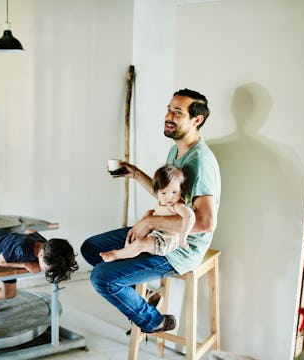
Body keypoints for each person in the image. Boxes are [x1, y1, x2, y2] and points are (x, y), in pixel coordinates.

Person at [81, 88, 221, 334]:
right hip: (160, 233)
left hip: (180, 249)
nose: (169, 116)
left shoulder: (201, 162)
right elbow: (166, 196)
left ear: (196, 120)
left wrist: (150, 222)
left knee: (102, 278)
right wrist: (135, 173)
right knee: (91, 248)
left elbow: (206, 223)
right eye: (169, 109)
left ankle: (155, 321)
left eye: (178, 112)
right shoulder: (176, 150)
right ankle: (139, 298)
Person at [0, 230, 79, 340]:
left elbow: (30, 231)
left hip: (10, 256)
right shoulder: (21, 249)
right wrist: (26, 264)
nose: (45, 271)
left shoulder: (45, 245)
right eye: (47, 269)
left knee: (10, 294)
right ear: (41, 254)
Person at [99, 165, 195, 262]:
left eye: (174, 192)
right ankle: (130, 247)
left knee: (140, 244)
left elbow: (189, 216)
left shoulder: (177, 205)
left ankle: (117, 254)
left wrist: (183, 236)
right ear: (157, 192)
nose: (169, 197)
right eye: (164, 193)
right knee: (148, 213)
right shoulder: (163, 202)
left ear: (181, 189)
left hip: (166, 240)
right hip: (156, 233)